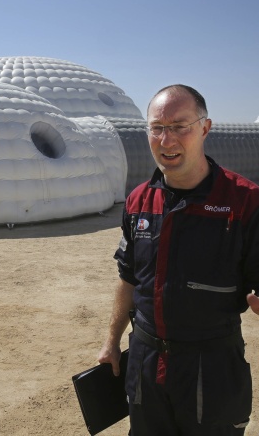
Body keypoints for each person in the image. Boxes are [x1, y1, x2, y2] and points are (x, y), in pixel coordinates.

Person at [98, 84, 259, 436]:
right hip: (145, 360)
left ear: (205, 127)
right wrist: (112, 342)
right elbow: (128, 277)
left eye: (179, 126)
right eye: (157, 127)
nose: (166, 140)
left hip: (212, 366)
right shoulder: (139, 200)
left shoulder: (244, 202)